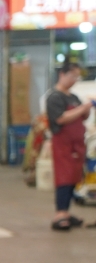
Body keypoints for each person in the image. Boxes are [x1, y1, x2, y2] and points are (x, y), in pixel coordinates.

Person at [44, 61, 92, 231]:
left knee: (73, 178)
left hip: (76, 145)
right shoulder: (55, 97)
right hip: (63, 145)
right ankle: (60, 214)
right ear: (62, 75)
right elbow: (61, 119)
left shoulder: (73, 97)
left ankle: (66, 212)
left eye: (77, 77)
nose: (75, 80)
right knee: (64, 179)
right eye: (72, 76)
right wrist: (82, 109)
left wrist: (86, 109)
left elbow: (81, 117)